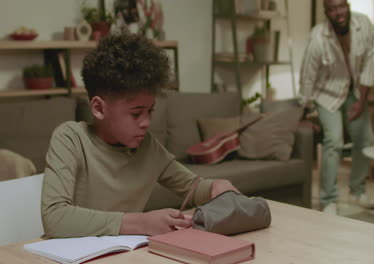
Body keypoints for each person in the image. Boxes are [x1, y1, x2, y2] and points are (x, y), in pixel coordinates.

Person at [41, 32, 238, 238]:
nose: (146, 123)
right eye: (136, 113)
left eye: (150, 111)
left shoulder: (147, 146)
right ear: (99, 108)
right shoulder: (70, 139)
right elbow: (54, 218)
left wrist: (216, 186)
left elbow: (193, 187)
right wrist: (140, 222)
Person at [299, 0, 374, 215]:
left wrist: (362, 101)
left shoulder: (364, 26)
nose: (339, 13)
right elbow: (308, 75)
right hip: (327, 94)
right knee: (334, 141)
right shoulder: (317, 37)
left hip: (354, 93)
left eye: (341, 6)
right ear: (326, 13)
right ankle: (328, 200)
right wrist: (306, 110)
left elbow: (370, 64)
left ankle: (357, 190)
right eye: (332, 9)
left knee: (365, 138)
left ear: (348, 5)